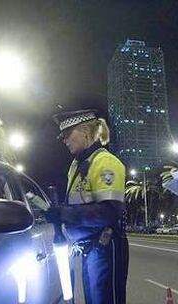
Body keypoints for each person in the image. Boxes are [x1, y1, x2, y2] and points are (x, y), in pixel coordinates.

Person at [45, 109, 129, 304]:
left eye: (67, 135)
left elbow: (110, 210)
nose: (64, 140)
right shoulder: (76, 164)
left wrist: (66, 214)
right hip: (89, 247)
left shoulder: (105, 162)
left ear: (84, 131)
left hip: (105, 246)